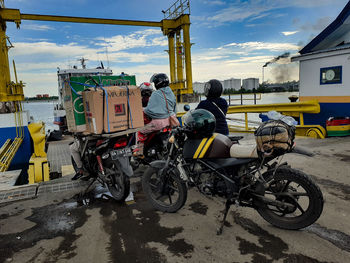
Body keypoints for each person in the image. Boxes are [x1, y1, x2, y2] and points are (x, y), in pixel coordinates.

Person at [133, 73, 179, 156]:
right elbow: (174, 109)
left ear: (158, 83)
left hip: (158, 123)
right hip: (170, 121)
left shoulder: (156, 94)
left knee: (140, 131)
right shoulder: (171, 93)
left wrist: (144, 111)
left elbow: (150, 110)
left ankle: (139, 152)